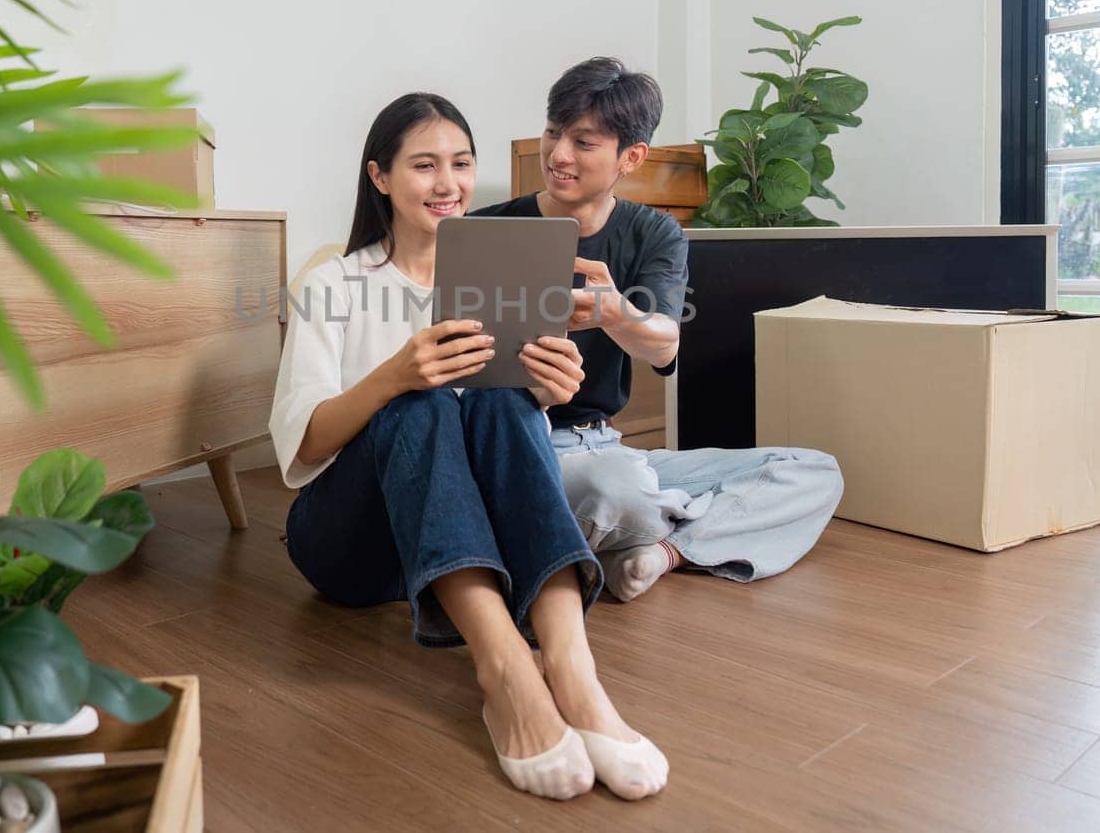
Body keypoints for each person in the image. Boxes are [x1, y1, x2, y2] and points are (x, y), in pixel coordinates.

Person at [269, 92, 668, 800]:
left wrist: (549, 391)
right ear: (380, 177)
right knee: (419, 399)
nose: (447, 182)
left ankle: (573, 669)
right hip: (349, 544)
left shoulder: (503, 286)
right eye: (423, 164)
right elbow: (302, 444)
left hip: (454, 538)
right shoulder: (334, 282)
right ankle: (506, 670)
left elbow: (505, 445)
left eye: (460, 163)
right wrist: (394, 376)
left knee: (500, 392)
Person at [473, 58, 845, 602]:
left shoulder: (654, 233)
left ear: (632, 157)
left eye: (583, 142)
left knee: (813, 471)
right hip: (519, 446)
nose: (557, 155)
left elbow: (664, 342)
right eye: (553, 133)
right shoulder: (487, 229)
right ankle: (654, 523)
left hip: (605, 447)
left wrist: (614, 312)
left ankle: (663, 551)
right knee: (616, 490)